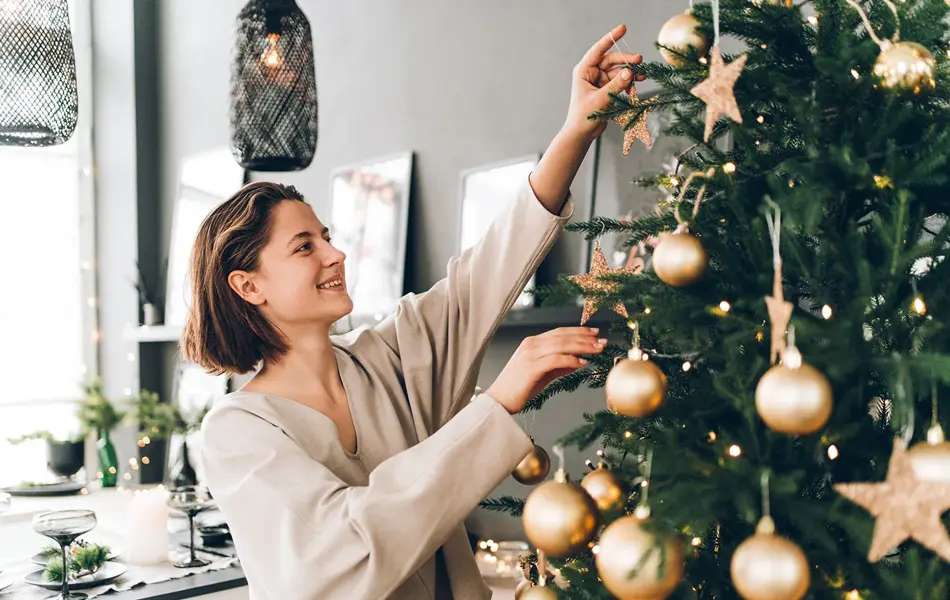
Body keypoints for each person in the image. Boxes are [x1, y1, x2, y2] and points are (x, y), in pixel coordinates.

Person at [184, 24, 645, 600]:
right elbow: (347, 551)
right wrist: (497, 405)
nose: (336, 254)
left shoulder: (387, 356)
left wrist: (575, 129)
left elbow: (485, 273)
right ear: (248, 286)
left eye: (326, 236)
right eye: (305, 247)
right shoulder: (236, 434)